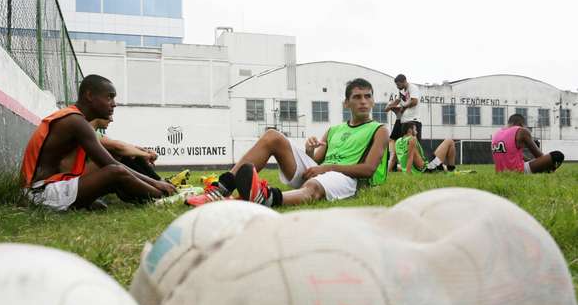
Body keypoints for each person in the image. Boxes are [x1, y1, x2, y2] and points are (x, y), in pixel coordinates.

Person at [185, 78, 389, 207]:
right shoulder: (334, 130)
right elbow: (315, 163)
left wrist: (327, 168)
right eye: (357, 97)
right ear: (347, 103)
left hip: (346, 179)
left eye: (367, 97)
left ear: (372, 101)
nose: (363, 101)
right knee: (272, 135)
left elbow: (368, 169)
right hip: (322, 171)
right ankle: (221, 188)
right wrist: (309, 152)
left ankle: (268, 199)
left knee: (313, 185)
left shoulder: (379, 130)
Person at [20, 75, 175, 211]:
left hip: (56, 186)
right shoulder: (74, 120)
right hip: (39, 193)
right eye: (109, 97)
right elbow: (109, 164)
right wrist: (157, 184)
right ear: (89, 95)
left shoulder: (77, 120)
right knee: (115, 172)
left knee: (116, 167)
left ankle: (150, 194)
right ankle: (162, 196)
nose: (114, 104)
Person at [89, 117, 163, 181]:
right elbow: (118, 147)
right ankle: (155, 185)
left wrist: (143, 152)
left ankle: (157, 181)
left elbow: (119, 146)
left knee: (129, 153)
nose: (111, 119)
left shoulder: (94, 131)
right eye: (108, 115)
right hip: (82, 177)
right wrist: (146, 154)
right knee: (120, 155)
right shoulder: (88, 129)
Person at [491, 113, 564, 173]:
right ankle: (549, 172)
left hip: (500, 172)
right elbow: (538, 156)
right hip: (517, 171)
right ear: (521, 124)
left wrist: (530, 161)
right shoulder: (521, 131)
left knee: (530, 162)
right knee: (557, 155)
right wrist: (545, 164)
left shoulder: (496, 134)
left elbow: (511, 154)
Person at [385, 74, 421, 172]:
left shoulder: (412, 88)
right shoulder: (402, 91)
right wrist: (389, 106)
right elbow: (397, 100)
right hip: (403, 121)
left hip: (412, 120)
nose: (397, 87)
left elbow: (414, 101)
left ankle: (415, 168)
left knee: (412, 146)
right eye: (396, 85)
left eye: (398, 84)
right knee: (399, 143)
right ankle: (395, 164)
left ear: (404, 81)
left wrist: (403, 107)